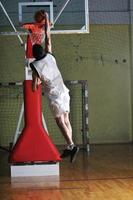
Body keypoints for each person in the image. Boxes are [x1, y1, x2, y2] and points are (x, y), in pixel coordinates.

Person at [30, 43, 79, 163]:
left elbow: (34, 88)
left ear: (33, 55)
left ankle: (72, 146)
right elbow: (49, 43)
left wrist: (36, 79)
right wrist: (47, 28)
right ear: (43, 51)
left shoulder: (35, 66)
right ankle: (70, 146)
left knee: (60, 121)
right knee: (66, 119)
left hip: (54, 96)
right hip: (64, 91)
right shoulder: (50, 57)